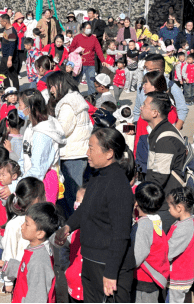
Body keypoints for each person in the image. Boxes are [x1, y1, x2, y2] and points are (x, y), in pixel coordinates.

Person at [55, 128, 135, 303]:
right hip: (91, 260)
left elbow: (120, 234)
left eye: (91, 148)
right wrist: (68, 226)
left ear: (109, 153)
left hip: (108, 266)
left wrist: (111, 273)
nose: (87, 153)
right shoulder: (98, 177)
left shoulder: (118, 185)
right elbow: (86, 209)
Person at [2, 89, 65, 204]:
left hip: (40, 187)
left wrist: (14, 187)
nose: (18, 108)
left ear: (29, 108)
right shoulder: (31, 127)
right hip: (29, 182)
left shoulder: (42, 135)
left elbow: (38, 170)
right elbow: (23, 158)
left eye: (20, 105)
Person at [47, 71, 92, 215]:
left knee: (73, 196)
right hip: (79, 152)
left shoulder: (67, 103)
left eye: (52, 86)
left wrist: (49, 126)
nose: (51, 90)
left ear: (59, 84)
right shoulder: (76, 98)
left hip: (72, 155)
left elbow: (62, 130)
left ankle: (74, 229)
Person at [140, 92, 186, 232]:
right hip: (163, 202)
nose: (141, 108)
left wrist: (142, 199)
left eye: (144, 105)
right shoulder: (160, 131)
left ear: (155, 113)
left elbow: (159, 178)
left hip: (165, 206)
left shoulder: (165, 139)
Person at [0, 202, 59, 303]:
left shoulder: (39, 262)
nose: (22, 226)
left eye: (27, 224)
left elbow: (37, 297)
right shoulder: (35, 249)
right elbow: (26, 270)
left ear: (40, 233)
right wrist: (8, 265)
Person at [166, 187, 194, 303]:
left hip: (178, 276)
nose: (168, 210)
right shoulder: (186, 222)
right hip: (180, 275)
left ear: (179, 208)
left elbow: (169, 251)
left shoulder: (184, 228)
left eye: (169, 206)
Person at [131, 182, 168, 303]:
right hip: (153, 279)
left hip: (143, 282)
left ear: (137, 202)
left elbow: (135, 258)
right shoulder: (155, 219)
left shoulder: (144, 225)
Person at [133, 54, 188, 131]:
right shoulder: (141, 87)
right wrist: (135, 126)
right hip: (143, 132)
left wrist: (175, 131)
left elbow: (182, 109)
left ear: (158, 71)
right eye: (144, 67)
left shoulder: (173, 88)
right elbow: (137, 110)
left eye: (147, 69)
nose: (144, 70)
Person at [69, 22, 105, 96]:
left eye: (90, 28)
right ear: (83, 29)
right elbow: (71, 48)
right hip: (79, 64)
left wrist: (103, 60)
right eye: (87, 28)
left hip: (90, 64)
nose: (89, 30)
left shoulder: (93, 39)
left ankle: (92, 97)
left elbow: (99, 50)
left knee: (91, 81)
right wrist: (78, 50)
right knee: (75, 81)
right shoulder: (77, 37)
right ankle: (73, 95)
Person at [0, 14, 20, 89]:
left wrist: (9, 60)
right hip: (5, 56)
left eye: (1, 21)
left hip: (10, 57)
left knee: (13, 75)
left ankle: (16, 92)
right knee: (2, 72)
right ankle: (7, 88)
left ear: (5, 22)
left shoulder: (11, 32)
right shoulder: (6, 29)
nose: (0, 22)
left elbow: (12, 46)